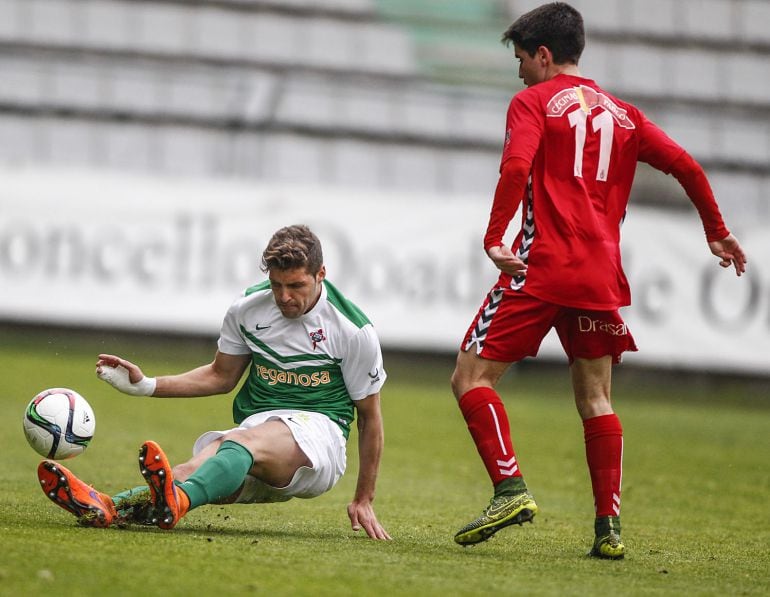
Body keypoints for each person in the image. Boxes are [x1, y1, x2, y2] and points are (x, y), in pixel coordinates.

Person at [450, 2, 746, 559]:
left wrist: (496, 238)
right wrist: (718, 230)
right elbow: (686, 163)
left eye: (520, 59)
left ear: (542, 54)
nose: (518, 72)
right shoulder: (626, 114)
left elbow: (516, 166)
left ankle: (509, 487)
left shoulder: (532, 102)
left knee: (471, 377)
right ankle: (608, 527)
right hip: (599, 276)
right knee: (597, 399)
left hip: (541, 267)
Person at [38, 224, 391, 540]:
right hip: (261, 426)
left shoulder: (352, 329)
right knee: (189, 471)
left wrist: (364, 498)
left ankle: (175, 504)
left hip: (319, 438)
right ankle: (107, 506)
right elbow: (220, 376)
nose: (284, 297)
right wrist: (146, 385)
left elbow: (370, 418)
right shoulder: (249, 309)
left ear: (321, 275)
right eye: (276, 285)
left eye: (296, 285)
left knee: (240, 443)